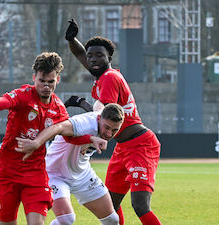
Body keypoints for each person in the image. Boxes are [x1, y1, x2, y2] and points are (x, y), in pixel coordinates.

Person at [0, 52, 106, 225]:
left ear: (57, 80)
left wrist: (90, 139)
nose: (46, 86)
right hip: (7, 172)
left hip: (35, 174)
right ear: (34, 77)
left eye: (50, 82)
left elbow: (69, 136)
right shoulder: (23, 95)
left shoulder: (58, 108)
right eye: (42, 81)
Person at [65, 20, 162, 225]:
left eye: (99, 55)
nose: (93, 59)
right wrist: (72, 40)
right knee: (112, 205)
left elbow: (105, 118)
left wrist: (81, 103)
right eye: (91, 56)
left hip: (140, 145)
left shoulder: (109, 78)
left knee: (140, 206)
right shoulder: (101, 74)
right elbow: (81, 54)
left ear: (109, 57)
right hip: (123, 147)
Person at [15, 103, 124, 225]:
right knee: (66, 219)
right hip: (55, 174)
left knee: (113, 220)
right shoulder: (83, 123)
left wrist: (82, 102)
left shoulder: (103, 118)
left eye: (115, 130)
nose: (109, 134)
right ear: (99, 119)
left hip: (83, 175)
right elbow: (59, 127)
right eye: (107, 128)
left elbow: (99, 105)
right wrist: (36, 143)